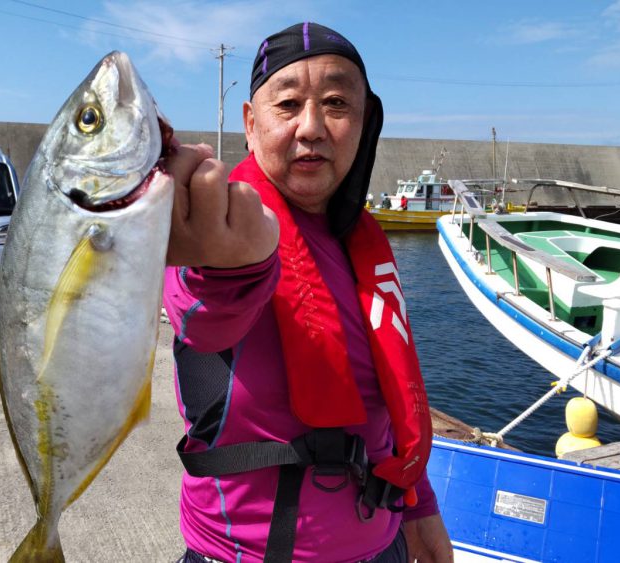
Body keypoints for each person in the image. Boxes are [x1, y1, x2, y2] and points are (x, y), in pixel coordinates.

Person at [163, 22, 452, 563]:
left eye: (337, 104)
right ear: (251, 124)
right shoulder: (220, 228)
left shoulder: (362, 241)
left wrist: (420, 506)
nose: (312, 127)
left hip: (386, 543)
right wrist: (226, 264)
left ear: (364, 124)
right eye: (288, 104)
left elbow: (384, 404)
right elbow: (201, 314)